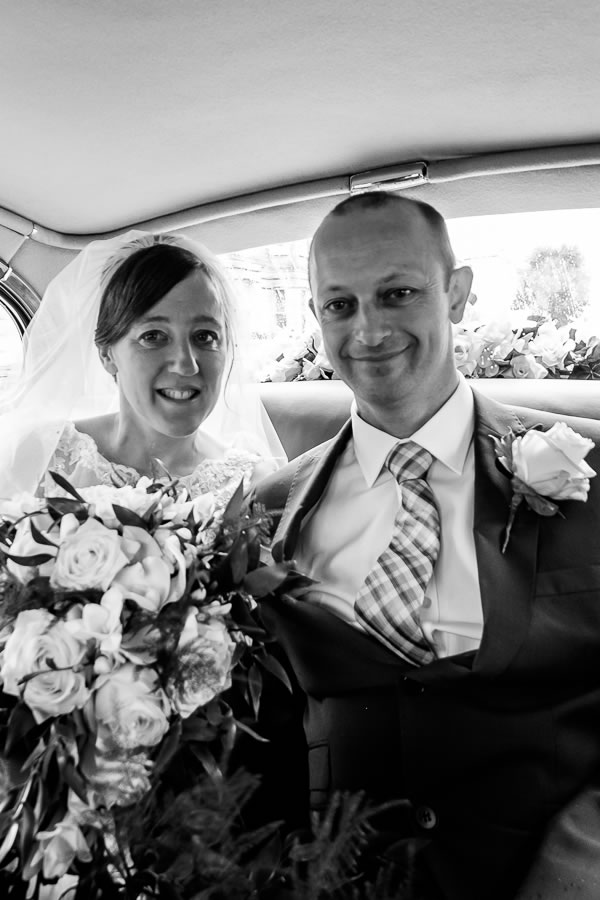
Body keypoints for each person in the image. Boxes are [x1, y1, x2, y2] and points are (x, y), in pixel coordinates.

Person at [255, 191, 600, 900]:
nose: (368, 328)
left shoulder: (589, 469)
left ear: (458, 294)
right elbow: (268, 738)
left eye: (397, 293)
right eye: (340, 305)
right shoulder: (267, 515)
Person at [0, 231, 285, 500]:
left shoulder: (253, 485)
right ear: (107, 355)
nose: (186, 366)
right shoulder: (40, 456)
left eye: (205, 337)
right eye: (153, 337)